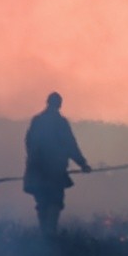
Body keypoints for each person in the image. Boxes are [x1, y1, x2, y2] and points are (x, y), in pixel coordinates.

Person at [23, 92, 91, 235]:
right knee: (54, 202)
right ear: (59, 104)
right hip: (54, 172)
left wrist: (34, 162)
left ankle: (44, 234)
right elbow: (70, 145)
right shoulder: (60, 123)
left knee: (42, 203)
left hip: (37, 172)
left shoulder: (37, 121)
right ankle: (50, 234)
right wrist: (82, 163)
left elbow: (29, 143)